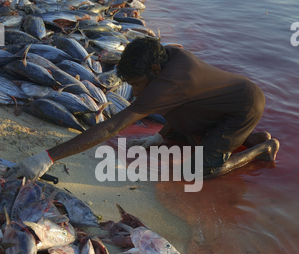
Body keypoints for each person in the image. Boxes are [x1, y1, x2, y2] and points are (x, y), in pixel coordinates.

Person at [5, 38, 279, 182]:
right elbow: (181, 102)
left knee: (199, 172)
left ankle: (261, 149)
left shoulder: (172, 82)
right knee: (178, 138)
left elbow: (113, 126)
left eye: (136, 84)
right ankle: (247, 137)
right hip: (215, 107)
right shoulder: (164, 55)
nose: (134, 91)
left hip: (244, 106)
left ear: (156, 70)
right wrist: (159, 137)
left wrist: (48, 157)